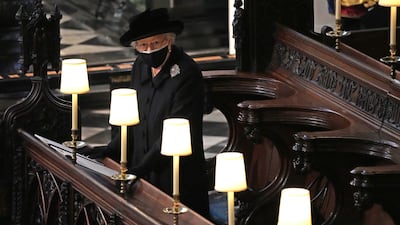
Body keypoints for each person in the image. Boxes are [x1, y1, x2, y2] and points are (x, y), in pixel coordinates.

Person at [87, 8, 210, 218]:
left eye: (155, 43)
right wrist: (111, 149)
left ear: (169, 41)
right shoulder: (140, 66)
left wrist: (141, 169)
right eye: (143, 45)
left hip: (174, 170)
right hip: (142, 165)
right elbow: (133, 116)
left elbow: (176, 129)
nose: (149, 49)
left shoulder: (186, 73)